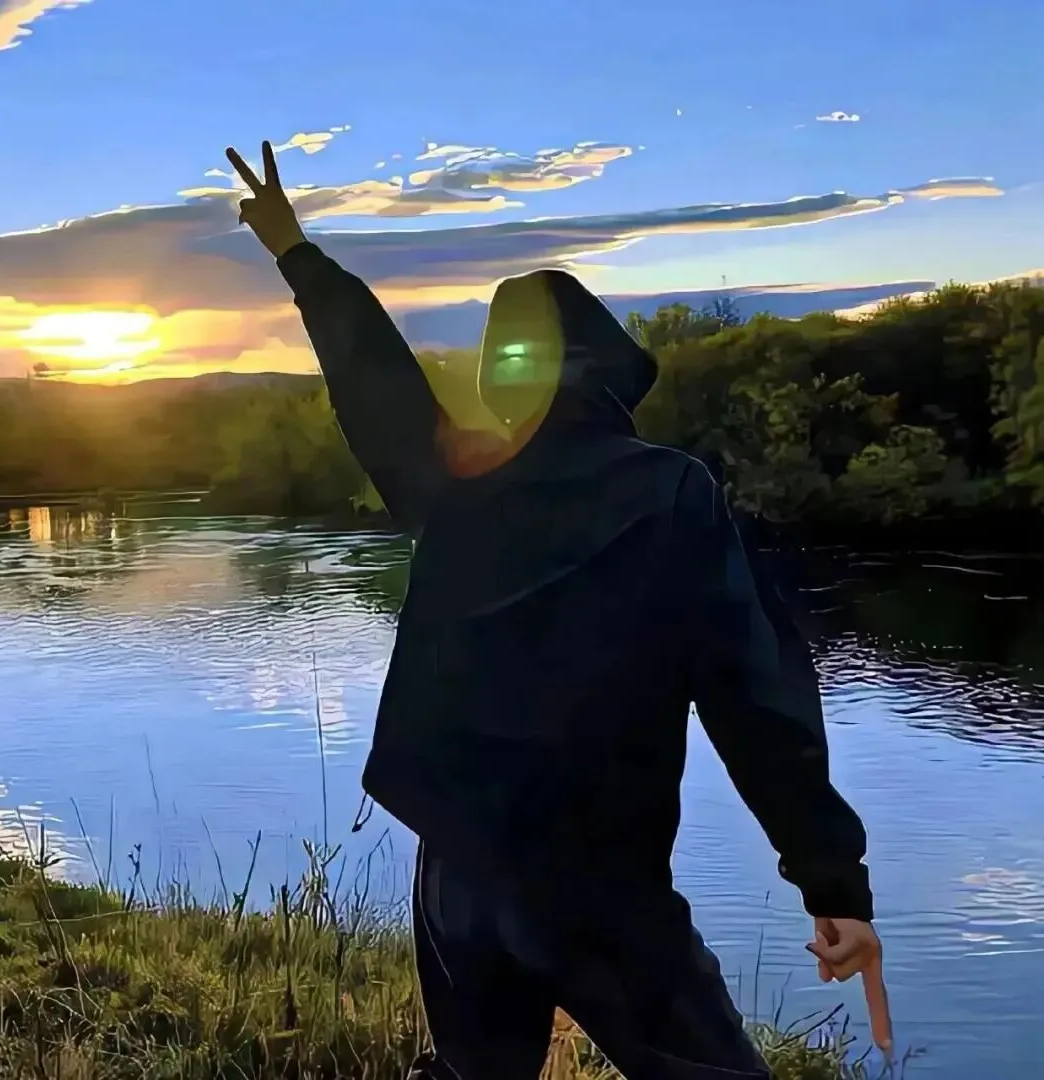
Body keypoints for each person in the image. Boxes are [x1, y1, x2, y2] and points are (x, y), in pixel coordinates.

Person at [226, 140, 893, 1080]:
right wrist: (830, 879)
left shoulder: (453, 478)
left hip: (460, 868)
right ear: (614, 370)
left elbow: (374, 380)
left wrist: (295, 251)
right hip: (602, 881)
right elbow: (756, 696)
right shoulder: (670, 493)